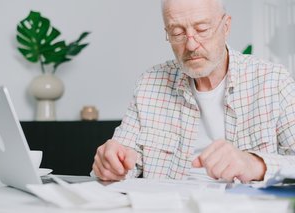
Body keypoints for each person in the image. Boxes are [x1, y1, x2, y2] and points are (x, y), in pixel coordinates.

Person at [92, 0, 295, 183]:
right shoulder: (150, 84)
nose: (190, 44)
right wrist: (111, 165)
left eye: (202, 29)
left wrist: (256, 165)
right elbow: (123, 159)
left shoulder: (273, 80)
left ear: (226, 26)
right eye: (177, 33)